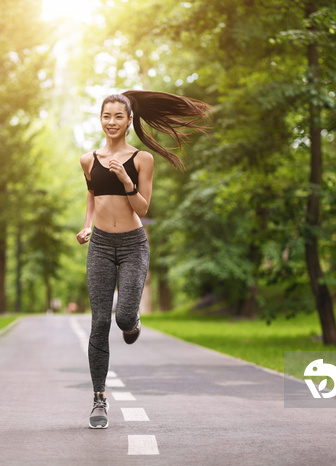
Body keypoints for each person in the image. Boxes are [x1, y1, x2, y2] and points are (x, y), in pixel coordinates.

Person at [76, 90, 212, 429]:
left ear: (129, 120)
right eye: (106, 116)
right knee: (99, 323)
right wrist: (87, 226)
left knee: (122, 319)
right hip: (102, 246)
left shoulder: (142, 160)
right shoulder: (87, 159)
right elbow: (92, 197)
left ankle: (133, 321)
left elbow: (142, 208)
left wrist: (124, 179)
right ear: (101, 118)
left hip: (134, 245)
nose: (111, 122)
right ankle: (99, 399)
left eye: (118, 117)